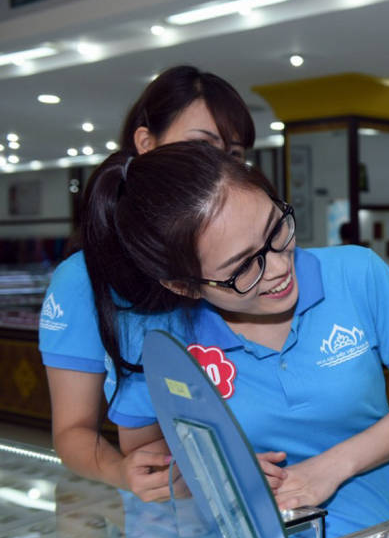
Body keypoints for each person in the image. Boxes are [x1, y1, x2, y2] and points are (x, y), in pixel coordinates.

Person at [87, 142, 389, 538]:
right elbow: (147, 454)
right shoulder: (153, 335)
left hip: (385, 535)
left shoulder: (356, 274)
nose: (279, 267)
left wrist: (329, 468)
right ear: (184, 286)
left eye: (276, 229)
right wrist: (219, 468)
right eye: (244, 267)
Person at [39, 66, 255, 502]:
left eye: (233, 155)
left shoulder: (261, 260)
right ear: (145, 142)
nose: (215, 166)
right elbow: (73, 430)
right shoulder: (83, 279)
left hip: (287, 494)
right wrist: (123, 472)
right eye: (202, 145)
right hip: (169, 513)